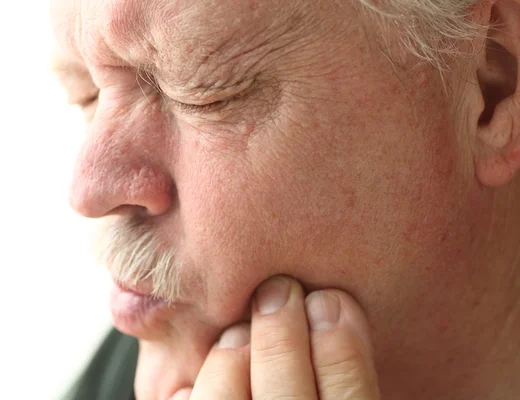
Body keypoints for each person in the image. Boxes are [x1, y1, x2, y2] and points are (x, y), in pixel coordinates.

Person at [51, 0, 520, 398]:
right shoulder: (140, 349)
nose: (88, 190)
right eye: (86, 94)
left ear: (492, 86)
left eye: (202, 91)